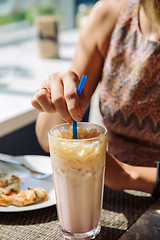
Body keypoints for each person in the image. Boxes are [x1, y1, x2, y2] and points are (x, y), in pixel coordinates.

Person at [31, 0, 160, 197]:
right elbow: (46, 139)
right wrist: (56, 95)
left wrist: (128, 175)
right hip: (104, 192)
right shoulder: (110, 15)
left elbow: (122, 174)